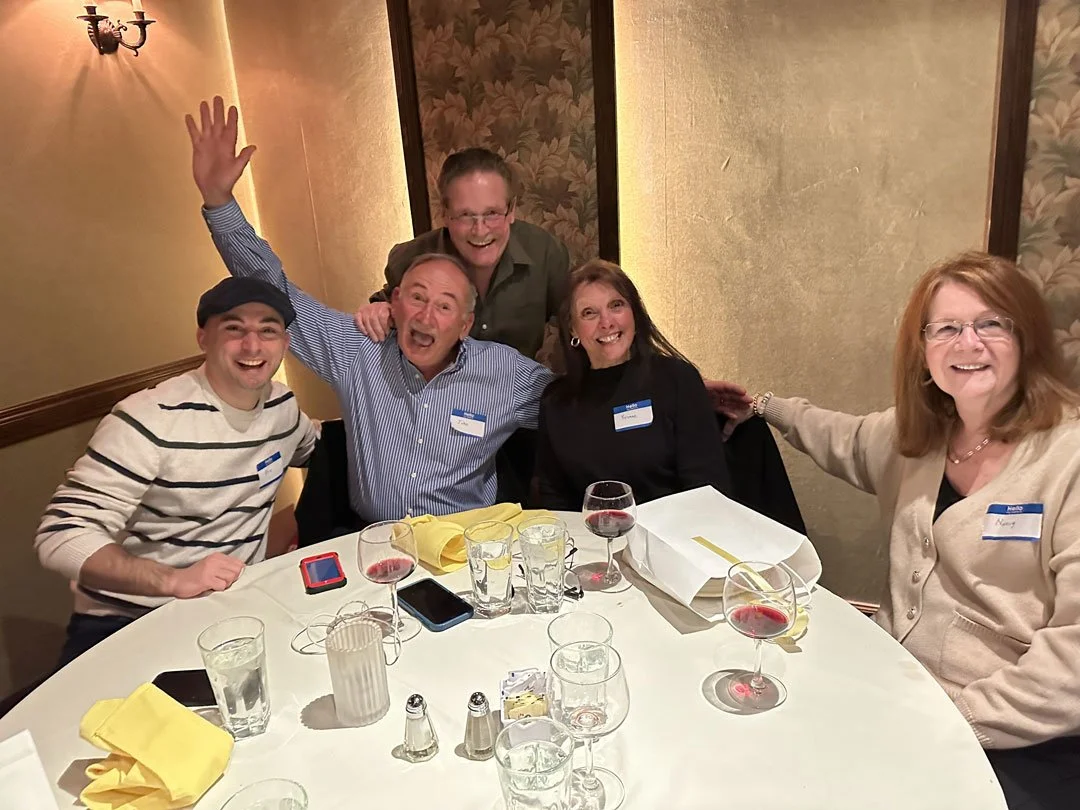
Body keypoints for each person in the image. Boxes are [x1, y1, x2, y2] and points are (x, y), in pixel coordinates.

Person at [717, 251, 1080, 810]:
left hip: (1014, 743)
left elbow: (1071, 670)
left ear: (1026, 336)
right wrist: (764, 407)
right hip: (894, 692)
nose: (968, 343)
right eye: (947, 328)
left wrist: (947, 721)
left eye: (991, 323)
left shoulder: (1068, 459)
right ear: (924, 350)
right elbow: (838, 435)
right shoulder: (919, 437)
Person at [186, 97, 555, 523]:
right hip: (376, 545)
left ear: (466, 324)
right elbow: (276, 292)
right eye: (416, 297)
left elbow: (578, 410)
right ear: (393, 301)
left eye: (445, 305)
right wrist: (219, 203)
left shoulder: (507, 373)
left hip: (468, 548)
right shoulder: (358, 350)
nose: (426, 316)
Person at [35, 278, 319, 666]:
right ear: (204, 338)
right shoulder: (150, 418)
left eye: (267, 330)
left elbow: (318, 446)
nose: (252, 346)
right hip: (128, 619)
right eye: (234, 329)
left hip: (227, 610)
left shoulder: (282, 408)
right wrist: (173, 579)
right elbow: (61, 535)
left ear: (284, 344)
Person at [536, 259, 731, 509]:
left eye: (616, 306)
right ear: (573, 329)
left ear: (634, 313)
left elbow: (707, 489)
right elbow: (554, 498)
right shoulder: (556, 401)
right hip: (593, 540)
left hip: (674, 536)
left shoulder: (676, 380)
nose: (606, 322)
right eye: (589, 313)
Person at [355, 147, 571, 367]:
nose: (480, 231)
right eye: (465, 215)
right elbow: (386, 306)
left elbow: (577, 318)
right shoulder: (410, 258)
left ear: (512, 210)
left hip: (517, 395)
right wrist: (378, 313)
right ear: (445, 214)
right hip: (435, 395)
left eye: (492, 214)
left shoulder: (545, 253)